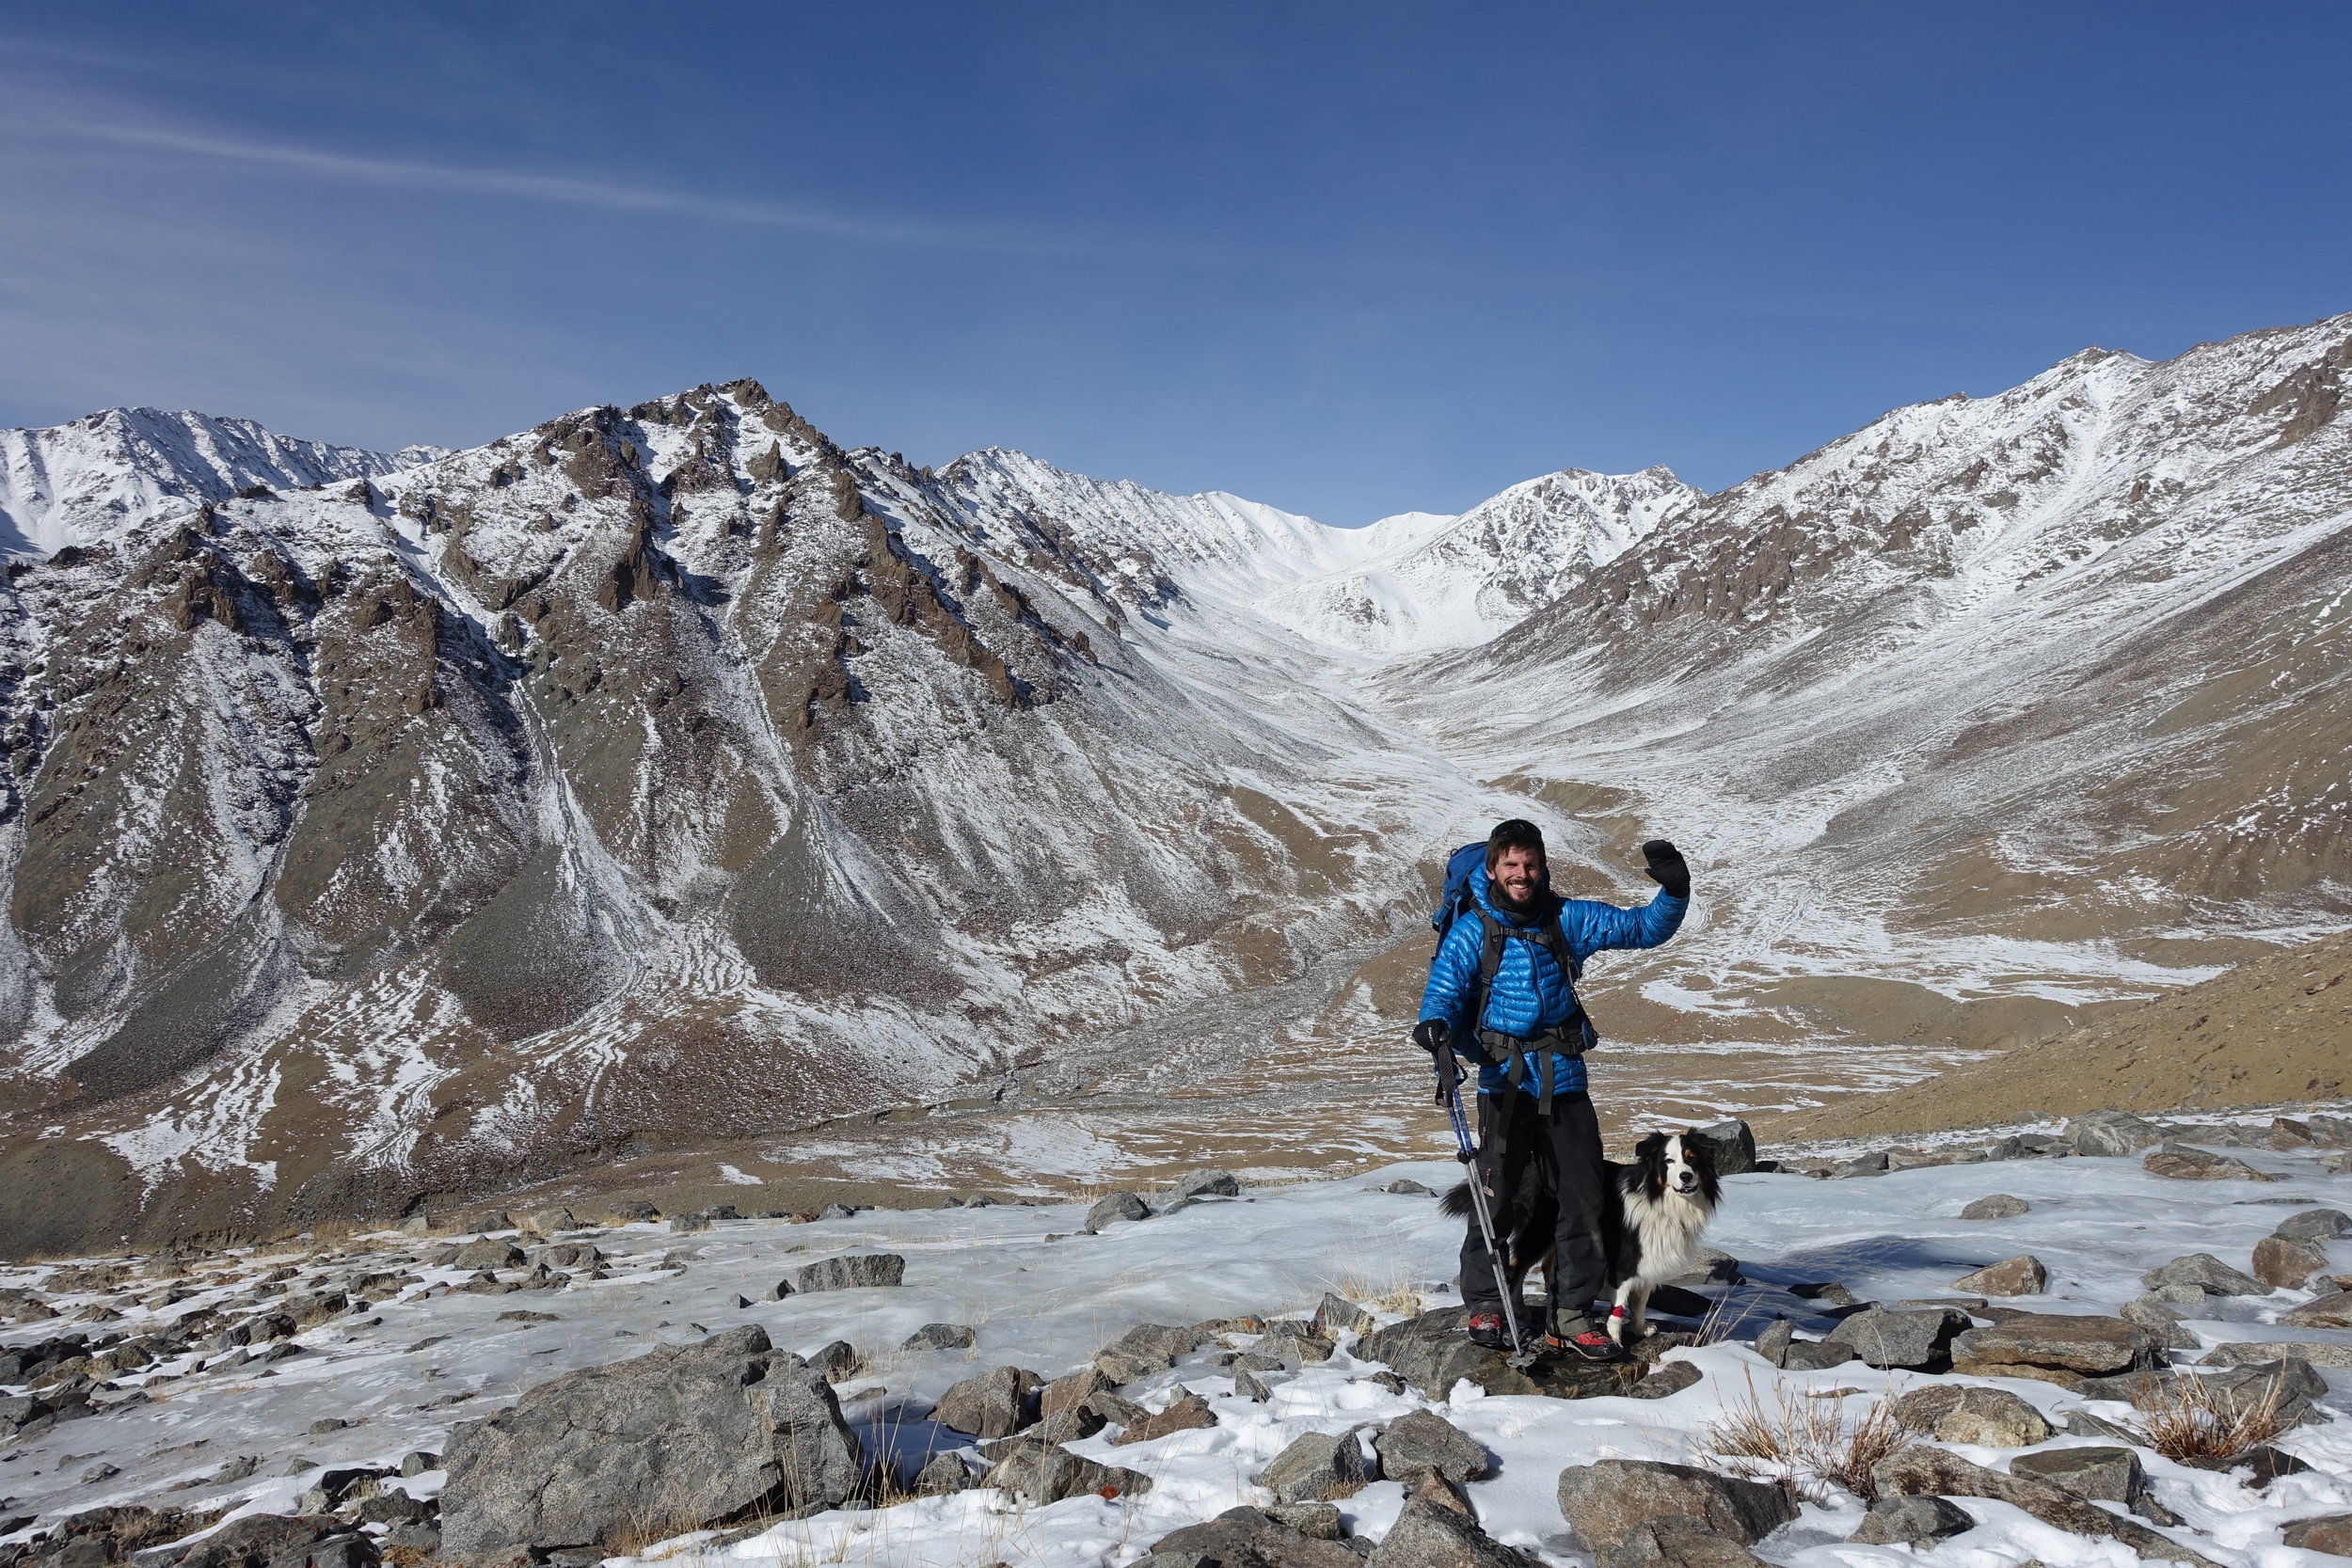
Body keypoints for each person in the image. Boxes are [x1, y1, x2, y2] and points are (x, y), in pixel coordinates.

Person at [1412, 818, 1689, 1361]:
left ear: (1543, 868)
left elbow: (1641, 929)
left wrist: (1674, 890)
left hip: (1565, 1081)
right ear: (1492, 869)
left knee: (1583, 1198)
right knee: (1497, 1199)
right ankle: (1488, 1304)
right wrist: (1435, 1030)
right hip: (1503, 1083)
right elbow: (1443, 987)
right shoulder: (1475, 931)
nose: (1522, 875)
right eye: (1511, 865)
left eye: (1530, 864)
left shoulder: (1568, 918)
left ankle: (1570, 1313)